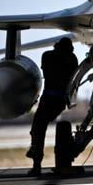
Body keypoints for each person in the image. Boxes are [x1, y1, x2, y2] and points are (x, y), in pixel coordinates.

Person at [26, 37, 78, 176]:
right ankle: (36, 157)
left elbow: (46, 72)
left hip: (49, 98)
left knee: (38, 128)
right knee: (39, 128)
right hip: (60, 100)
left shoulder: (48, 56)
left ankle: (36, 164)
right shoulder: (72, 59)